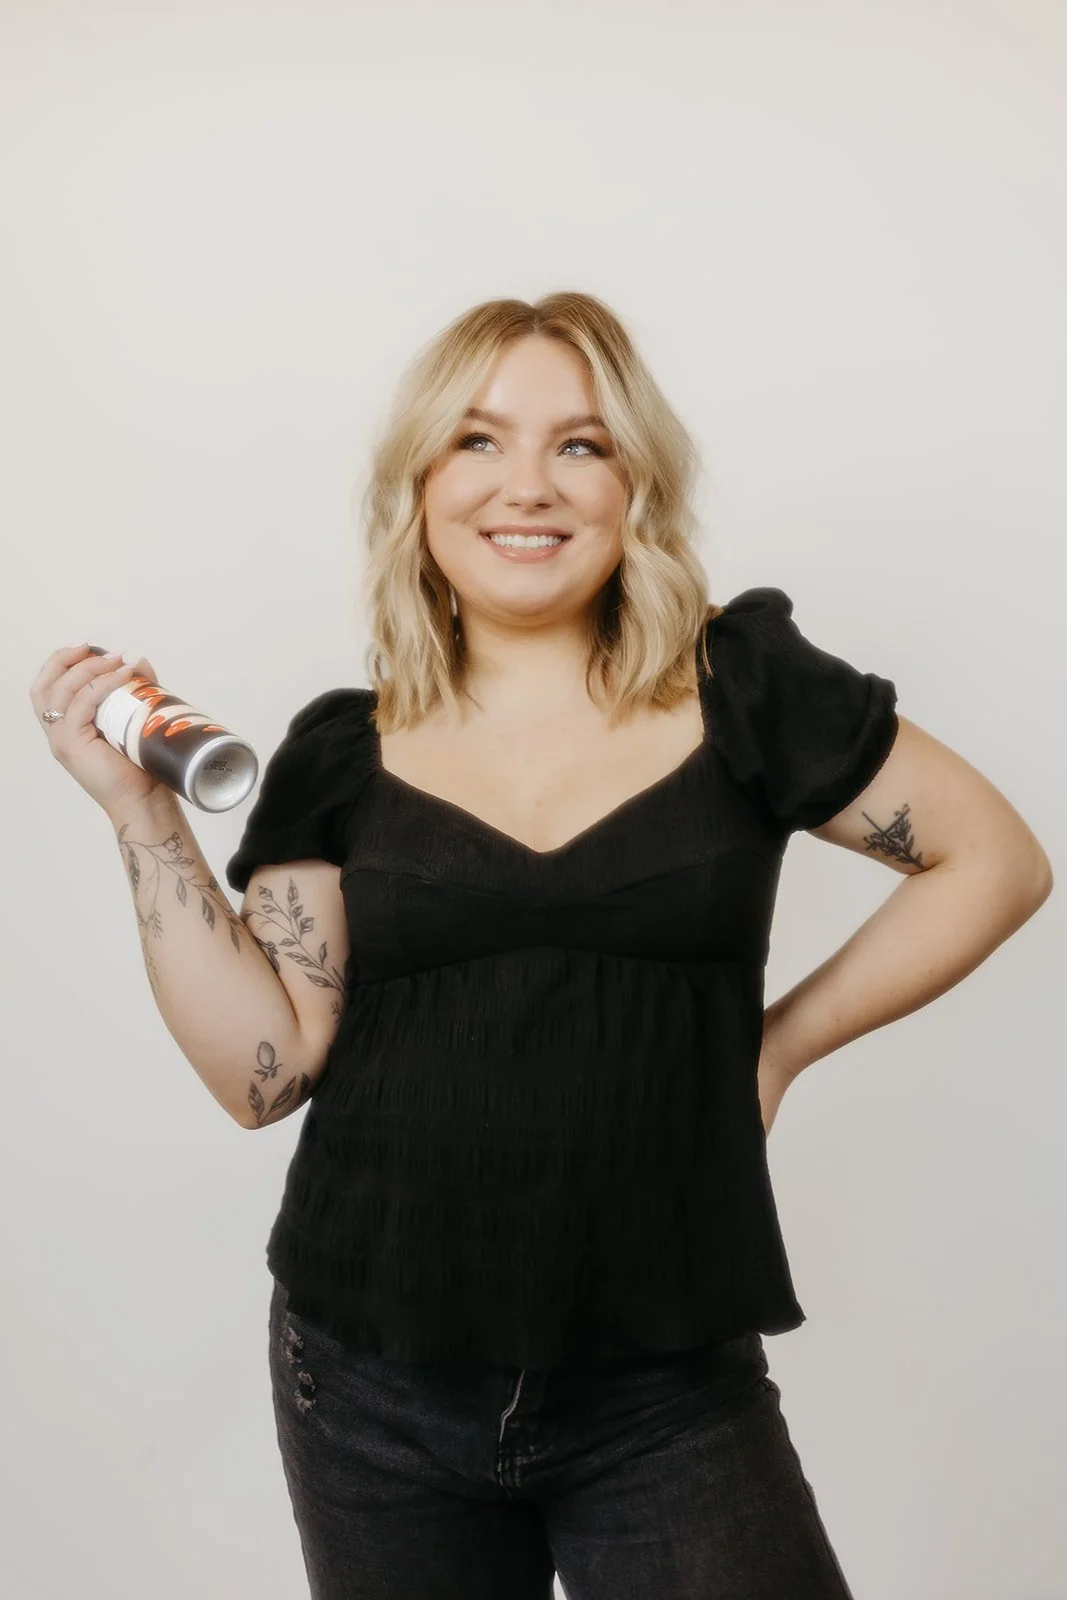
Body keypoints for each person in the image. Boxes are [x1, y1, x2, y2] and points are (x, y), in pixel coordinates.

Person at [33, 292, 1052, 1599]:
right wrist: (144, 818)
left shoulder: (739, 689)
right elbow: (264, 1075)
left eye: (578, 444)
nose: (528, 484)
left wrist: (778, 1048)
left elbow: (994, 862)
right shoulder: (340, 750)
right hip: (367, 1391)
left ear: (636, 483)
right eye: (475, 441)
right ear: (417, 487)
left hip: (664, 1390)